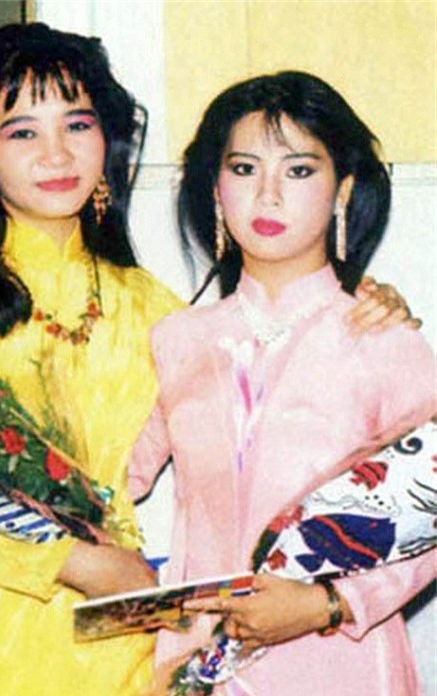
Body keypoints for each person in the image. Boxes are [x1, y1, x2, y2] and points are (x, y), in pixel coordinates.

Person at [0, 23, 420, 696]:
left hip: (124, 643)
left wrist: (368, 302)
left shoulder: (152, 310)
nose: (56, 154)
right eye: (23, 132)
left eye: (77, 125)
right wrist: (67, 561)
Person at [128, 71, 436, 695]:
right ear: (215, 188)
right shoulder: (176, 340)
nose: (267, 195)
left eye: (298, 171)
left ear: (342, 189)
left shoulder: (384, 339)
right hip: (202, 664)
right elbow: (111, 480)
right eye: (244, 169)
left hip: (339, 659)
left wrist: (331, 604)